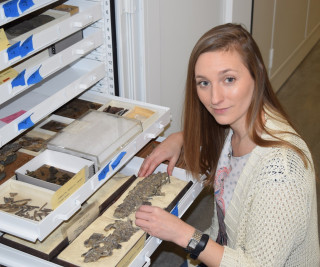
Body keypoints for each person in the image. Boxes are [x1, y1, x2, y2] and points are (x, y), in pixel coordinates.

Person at [134, 23, 320, 266]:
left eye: (229, 79)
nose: (215, 98)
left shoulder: (281, 174)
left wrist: (182, 234)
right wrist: (180, 138)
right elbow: (216, 140)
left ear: (257, 74)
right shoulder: (235, 125)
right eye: (204, 83)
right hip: (220, 250)